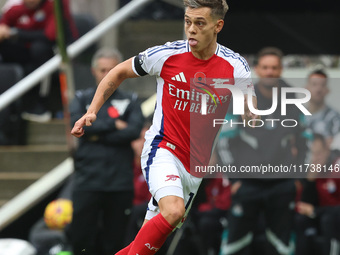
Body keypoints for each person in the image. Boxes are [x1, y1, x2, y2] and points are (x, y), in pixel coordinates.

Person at [71, 1, 258, 254]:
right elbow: (117, 72)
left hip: (195, 165)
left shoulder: (235, 65)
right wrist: (92, 111)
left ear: (218, 26)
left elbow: (249, 102)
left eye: (199, 23)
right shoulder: (166, 54)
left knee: (147, 243)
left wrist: (251, 114)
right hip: (163, 149)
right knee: (173, 211)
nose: (191, 29)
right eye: (187, 21)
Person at [217, 47, 307, 255]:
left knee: (283, 246)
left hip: (282, 184)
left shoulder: (294, 98)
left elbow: (306, 141)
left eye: (274, 68)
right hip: (246, 184)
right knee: (234, 244)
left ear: (281, 69)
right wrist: (234, 179)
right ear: (257, 69)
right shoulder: (241, 98)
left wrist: (298, 178)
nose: (270, 72)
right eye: (265, 67)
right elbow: (225, 141)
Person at [68, 47, 144, 255]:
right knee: (82, 240)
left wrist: (97, 131)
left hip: (119, 182)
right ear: (94, 71)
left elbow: (134, 131)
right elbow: (78, 128)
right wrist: (116, 125)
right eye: (103, 70)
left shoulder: (131, 99)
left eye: (112, 71)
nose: (106, 75)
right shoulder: (82, 98)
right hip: (88, 180)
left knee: (116, 242)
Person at [0, 0, 78, 122]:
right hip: (26, 54)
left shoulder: (56, 4)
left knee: (39, 49)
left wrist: (15, 33)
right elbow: (3, 29)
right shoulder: (14, 7)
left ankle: (40, 103)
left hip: (53, 53)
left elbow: (50, 35)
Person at [295, 133, 340, 255]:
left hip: (332, 217)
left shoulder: (336, 167)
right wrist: (310, 179)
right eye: (312, 154)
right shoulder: (310, 172)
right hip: (320, 215)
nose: (315, 158)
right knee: (300, 220)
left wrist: (315, 211)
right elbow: (302, 204)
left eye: (319, 153)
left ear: (327, 150)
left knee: (329, 220)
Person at [304, 69, 340, 146]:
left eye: (322, 85)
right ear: (306, 89)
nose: (318, 89)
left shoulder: (335, 118)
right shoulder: (297, 116)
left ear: (327, 90)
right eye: (314, 84)